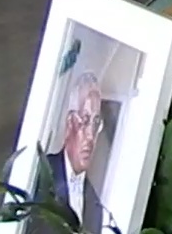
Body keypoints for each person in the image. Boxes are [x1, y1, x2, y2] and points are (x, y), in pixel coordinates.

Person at [39, 72, 112, 233]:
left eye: (96, 123)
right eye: (85, 121)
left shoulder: (95, 208)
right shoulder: (40, 174)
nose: (90, 135)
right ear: (70, 123)